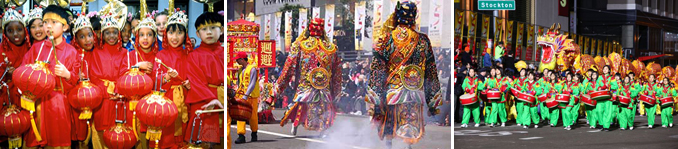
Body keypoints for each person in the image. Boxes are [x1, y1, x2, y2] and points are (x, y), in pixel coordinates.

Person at [364, 2, 441, 147]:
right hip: (414, 92)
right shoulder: (423, 40)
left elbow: (377, 70)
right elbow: (431, 72)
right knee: (410, 127)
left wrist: (374, 98)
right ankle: (408, 146)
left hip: (392, 92)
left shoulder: (386, 39)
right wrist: (433, 102)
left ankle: (389, 145)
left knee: (389, 127)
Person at [268, 18, 342, 138]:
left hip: (306, 85)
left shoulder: (300, 45)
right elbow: (337, 75)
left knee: (301, 104)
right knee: (324, 107)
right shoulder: (332, 48)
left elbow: (288, 69)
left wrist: (276, 90)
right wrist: (336, 93)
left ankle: (296, 124)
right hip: (324, 86)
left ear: (309, 29)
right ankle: (323, 129)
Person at [22, 5, 79, 148]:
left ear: (65, 27)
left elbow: (76, 81)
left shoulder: (71, 52)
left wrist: (67, 75)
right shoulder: (36, 48)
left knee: (58, 141)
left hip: (58, 103)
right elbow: (23, 71)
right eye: (45, 22)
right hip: (38, 102)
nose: (48, 26)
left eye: (54, 22)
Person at [88, 10, 135, 149]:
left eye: (115, 32)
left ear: (119, 33)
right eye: (107, 32)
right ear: (102, 35)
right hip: (102, 101)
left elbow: (126, 74)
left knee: (119, 134)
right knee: (101, 133)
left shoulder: (125, 52)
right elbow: (94, 76)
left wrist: (118, 89)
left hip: (120, 99)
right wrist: (108, 89)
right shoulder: (96, 52)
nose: (111, 36)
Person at [188, 11, 225, 148]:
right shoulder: (194, 55)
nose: (208, 32)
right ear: (198, 34)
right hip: (204, 102)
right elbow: (195, 81)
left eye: (213, 28)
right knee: (204, 141)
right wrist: (211, 98)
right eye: (204, 29)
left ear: (221, 30)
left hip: (223, 100)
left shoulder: (225, 53)